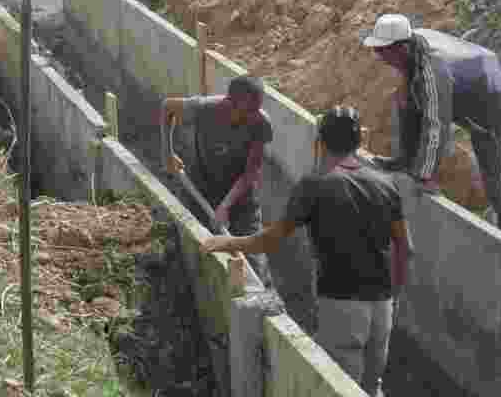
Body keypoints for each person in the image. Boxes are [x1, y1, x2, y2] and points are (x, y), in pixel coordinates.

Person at [203, 106, 413, 397]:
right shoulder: (386, 184)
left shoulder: (315, 184)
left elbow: (271, 240)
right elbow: (405, 248)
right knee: (371, 387)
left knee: (341, 386)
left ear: (320, 142)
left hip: (342, 304)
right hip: (382, 305)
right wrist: (395, 296)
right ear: (358, 143)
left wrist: (228, 243)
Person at [362, 14, 501, 232]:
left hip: (491, 106)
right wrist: (407, 158)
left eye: (382, 50)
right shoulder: (413, 45)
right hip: (461, 89)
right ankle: (406, 160)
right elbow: (410, 103)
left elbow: (436, 124)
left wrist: (424, 175)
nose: (379, 56)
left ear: (401, 48)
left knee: (499, 179)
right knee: (405, 100)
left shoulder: (432, 68)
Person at [161, 75, 273, 287]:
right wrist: (167, 153)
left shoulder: (261, 123)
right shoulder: (204, 109)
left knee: (255, 264)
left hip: (241, 199)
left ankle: (269, 304)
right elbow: (167, 107)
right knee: (191, 249)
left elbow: (250, 174)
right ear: (230, 102)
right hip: (200, 189)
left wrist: (226, 206)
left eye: (257, 109)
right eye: (247, 110)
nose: (253, 115)